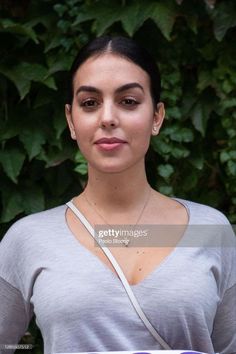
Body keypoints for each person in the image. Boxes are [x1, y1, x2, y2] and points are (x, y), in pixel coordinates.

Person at [0, 36, 235, 354]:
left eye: (128, 101)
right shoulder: (29, 238)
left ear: (157, 117)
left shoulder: (210, 231)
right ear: (71, 120)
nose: (107, 118)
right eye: (90, 103)